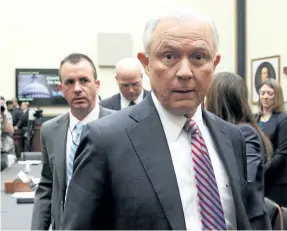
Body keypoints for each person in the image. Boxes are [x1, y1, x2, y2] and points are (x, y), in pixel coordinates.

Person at [62, 7, 252, 230]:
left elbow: (249, 216)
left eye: (198, 57)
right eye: (169, 56)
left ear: (214, 64)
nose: (184, 72)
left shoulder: (231, 137)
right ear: (146, 63)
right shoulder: (105, 141)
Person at [31, 53, 114, 230]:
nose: (77, 88)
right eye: (70, 82)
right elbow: (47, 184)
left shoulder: (120, 125)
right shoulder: (49, 130)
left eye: (84, 80)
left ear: (97, 85)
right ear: (61, 88)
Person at [206, 72, 272, 230]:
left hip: (248, 222)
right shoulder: (217, 131)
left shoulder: (244, 132)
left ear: (217, 99)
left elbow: (245, 182)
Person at [256, 78, 287, 207]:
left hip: (276, 181)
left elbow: (282, 154)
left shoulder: (284, 119)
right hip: (257, 178)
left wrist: (260, 172)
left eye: (270, 93)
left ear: (277, 96)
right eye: (262, 93)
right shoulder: (255, 117)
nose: (265, 97)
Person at [1, 96, 15, 171]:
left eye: (2, 105)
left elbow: (10, 131)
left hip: (4, 151)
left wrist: (4, 117)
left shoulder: (7, 115)